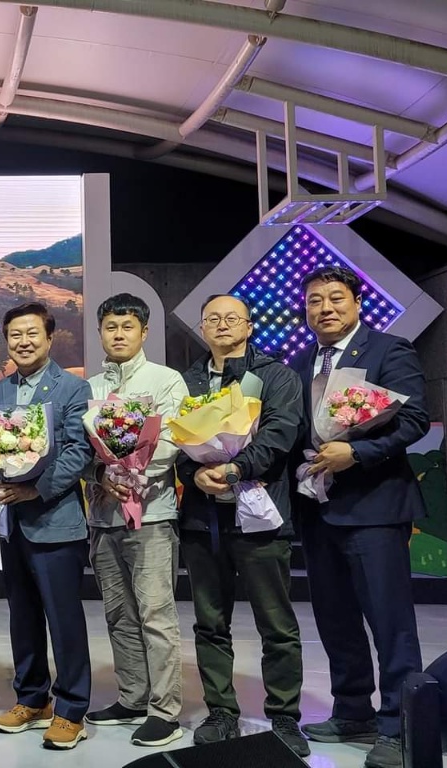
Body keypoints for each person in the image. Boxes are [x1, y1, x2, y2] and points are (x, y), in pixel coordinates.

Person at [292, 266, 428, 768]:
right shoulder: (300, 362)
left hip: (374, 508)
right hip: (318, 509)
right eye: (314, 301)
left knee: (390, 622)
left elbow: (413, 419)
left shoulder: (389, 350)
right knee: (335, 619)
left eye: (335, 298)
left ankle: (400, 726)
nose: (324, 308)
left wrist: (358, 453)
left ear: (356, 303)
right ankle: (352, 710)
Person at [176, 294, 307, 756]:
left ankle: (285, 717)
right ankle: (221, 712)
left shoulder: (276, 376)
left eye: (232, 318)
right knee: (210, 623)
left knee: (277, 625)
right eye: (212, 318)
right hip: (202, 520)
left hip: (261, 517)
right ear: (202, 328)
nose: (222, 324)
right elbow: (172, 442)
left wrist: (234, 469)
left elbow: (280, 434)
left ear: (249, 326)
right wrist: (194, 473)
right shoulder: (187, 381)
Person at [81, 293, 188, 747]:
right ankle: (132, 696)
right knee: (119, 614)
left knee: (156, 614)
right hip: (103, 516)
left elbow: (174, 438)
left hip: (153, 515)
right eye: (111, 327)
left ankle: (165, 711)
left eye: (127, 327)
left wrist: (129, 471)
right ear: (100, 333)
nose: (118, 334)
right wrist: (101, 474)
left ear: (144, 332)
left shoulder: (166, 380)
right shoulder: (89, 388)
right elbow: (80, 449)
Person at [0, 304, 94, 751]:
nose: (23, 342)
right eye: (15, 334)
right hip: (12, 522)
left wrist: (37, 490)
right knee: (23, 616)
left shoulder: (73, 387)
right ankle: (32, 699)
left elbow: (79, 451)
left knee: (63, 619)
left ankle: (71, 709)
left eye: (32, 333)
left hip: (56, 521)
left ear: (49, 338)